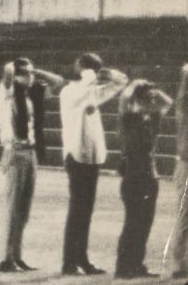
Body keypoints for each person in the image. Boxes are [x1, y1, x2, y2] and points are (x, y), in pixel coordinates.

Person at [60, 54, 128, 277]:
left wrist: (107, 73)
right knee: (77, 211)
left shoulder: (91, 93)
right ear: (82, 71)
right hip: (76, 156)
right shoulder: (70, 91)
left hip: (90, 157)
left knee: (85, 212)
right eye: (90, 70)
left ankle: (82, 259)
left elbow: (121, 83)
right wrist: (90, 72)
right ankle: (69, 262)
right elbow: (86, 86)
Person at [0, 57, 63, 273]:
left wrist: (37, 71)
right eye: (25, 74)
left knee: (23, 210)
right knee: (12, 207)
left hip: (30, 151)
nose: (30, 77)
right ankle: (6, 258)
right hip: (14, 151)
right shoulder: (6, 92)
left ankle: (17, 255)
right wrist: (16, 69)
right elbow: (7, 73)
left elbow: (58, 82)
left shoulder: (31, 94)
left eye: (30, 74)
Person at [115, 78, 172, 279]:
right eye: (146, 98)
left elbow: (167, 103)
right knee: (133, 222)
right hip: (133, 175)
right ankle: (123, 267)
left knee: (145, 223)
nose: (150, 102)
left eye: (151, 99)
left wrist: (154, 90)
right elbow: (125, 101)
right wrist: (136, 88)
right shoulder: (129, 118)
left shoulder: (151, 117)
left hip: (149, 175)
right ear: (137, 99)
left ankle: (137, 263)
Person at [165, 63, 188, 279]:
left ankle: (179, 261)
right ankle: (177, 262)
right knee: (185, 215)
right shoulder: (184, 112)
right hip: (187, 162)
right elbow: (181, 102)